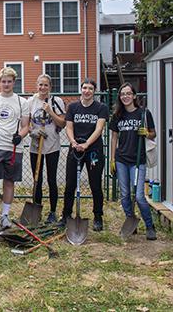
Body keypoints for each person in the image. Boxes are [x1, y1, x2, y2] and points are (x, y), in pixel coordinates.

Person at [0, 67, 30, 229]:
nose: (6, 84)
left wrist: (20, 136)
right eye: (3, 81)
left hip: (14, 149)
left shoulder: (21, 102)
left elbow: (25, 126)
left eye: (9, 81)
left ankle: (5, 216)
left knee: (9, 182)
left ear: (14, 82)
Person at [110, 82, 157, 240]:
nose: (125, 96)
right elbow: (114, 137)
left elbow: (153, 133)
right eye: (123, 94)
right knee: (124, 195)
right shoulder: (118, 115)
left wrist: (146, 134)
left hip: (138, 161)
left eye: (128, 93)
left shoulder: (143, 113)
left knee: (138, 196)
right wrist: (113, 159)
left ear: (134, 96)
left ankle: (150, 226)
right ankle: (131, 220)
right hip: (122, 159)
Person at [61, 78, 108, 231]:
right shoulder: (73, 107)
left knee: (95, 185)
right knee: (70, 185)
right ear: (81, 89)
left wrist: (87, 144)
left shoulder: (101, 107)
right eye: (84, 88)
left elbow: (99, 129)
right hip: (75, 149)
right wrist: (74, 142)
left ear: (94, 91)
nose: (87, 91)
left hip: (93, 151)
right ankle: (66, 215)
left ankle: (98, 217)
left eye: (90, 89)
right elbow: (69, 127)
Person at [26, 74, 66, 224]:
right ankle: (36, 210)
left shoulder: (56, 101)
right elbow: (27, 123)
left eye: (46, 85)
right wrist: (32, 132)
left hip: (52, 147)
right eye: (40, 85)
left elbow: (62, 123)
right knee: (37, 179)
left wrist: (50, 111)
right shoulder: (30, 102)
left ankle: (53, 212)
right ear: (37, 85)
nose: (43, 88)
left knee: (51, 180)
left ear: (50, 87)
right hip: (36, 147)